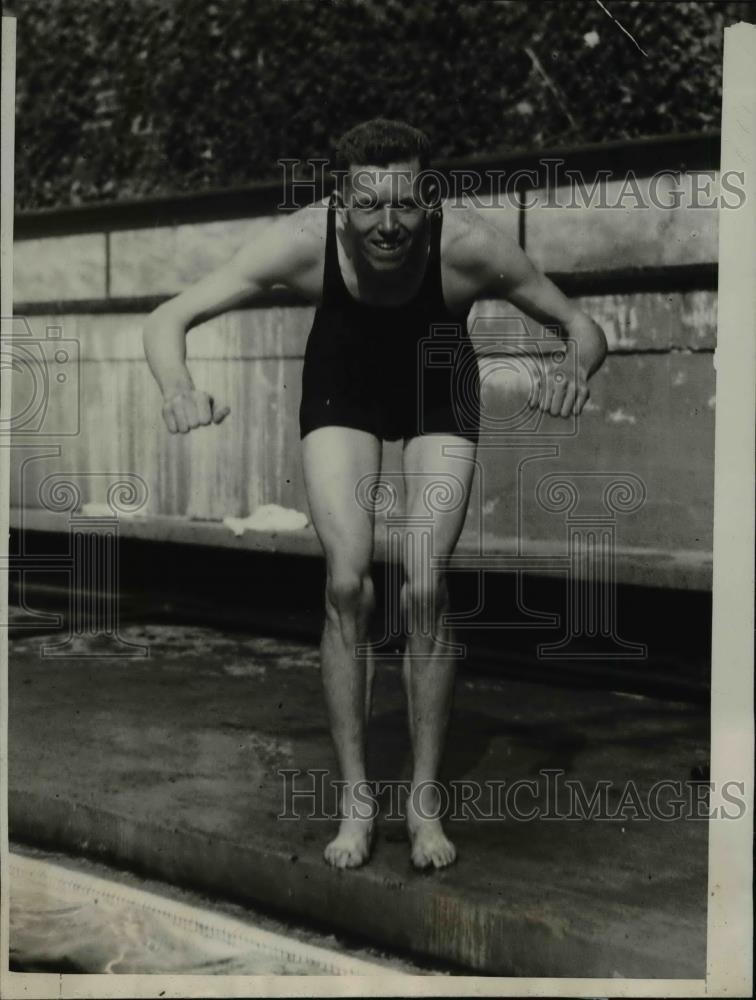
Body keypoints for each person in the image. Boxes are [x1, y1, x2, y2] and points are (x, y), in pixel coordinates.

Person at [143, 118, 607, 871]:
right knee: (347, 581)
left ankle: (424, 800)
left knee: (424, 583)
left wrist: (573, 371)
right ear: (339, 201)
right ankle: (357, 798)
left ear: (428, 200)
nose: (387, 225)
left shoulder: (469, 247)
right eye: (368, 205)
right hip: (345, 382)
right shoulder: (299, 242)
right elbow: (169, 318)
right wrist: (178, 389)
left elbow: (580, 326)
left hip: (436, 383)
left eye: (405, 204)